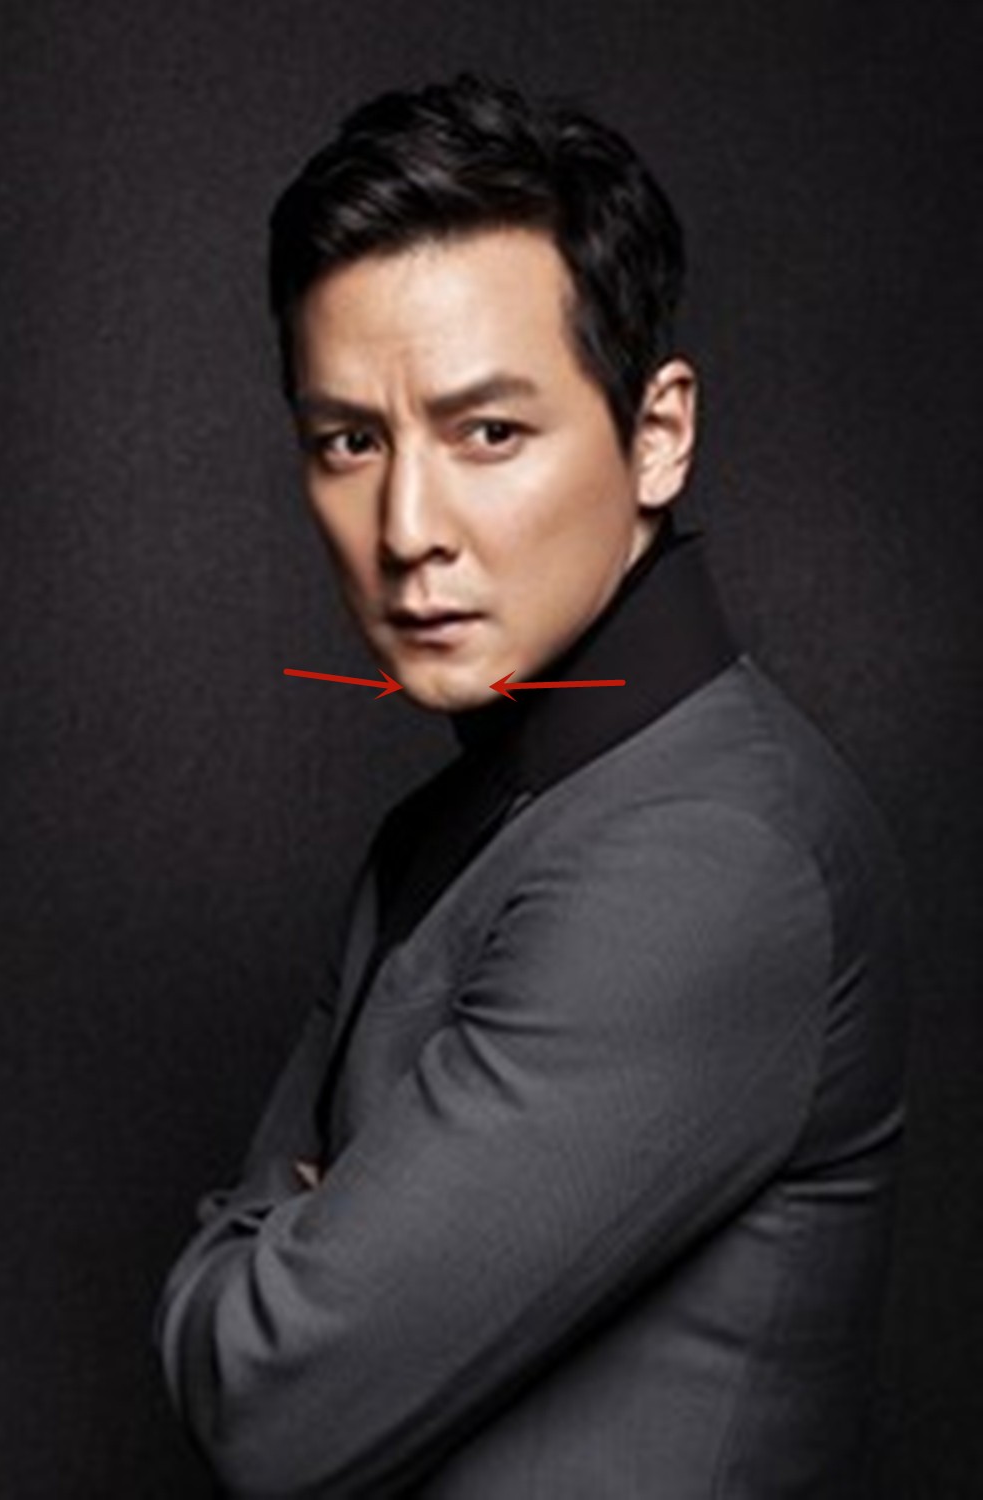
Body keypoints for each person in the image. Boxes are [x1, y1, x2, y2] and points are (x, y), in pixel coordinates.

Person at [156, 72, 908, 1497]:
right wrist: (281, 1256)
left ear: (657, 435)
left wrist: (273, 1241)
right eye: (349, 441)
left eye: (487, 433)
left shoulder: (710, 857)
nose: (407, 530)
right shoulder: (450, 825)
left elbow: (265, 1398)